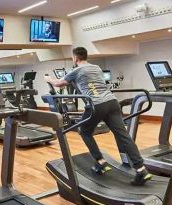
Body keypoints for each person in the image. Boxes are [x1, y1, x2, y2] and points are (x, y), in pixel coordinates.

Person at [44, 47, 152, 185]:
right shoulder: (97, 68)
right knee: (123, 135)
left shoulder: (77, 70)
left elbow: (59, 83)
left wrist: (48, 79)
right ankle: (141, 169)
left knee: (84, 131)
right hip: (112, 102)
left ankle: (100, 161)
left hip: (96, 104)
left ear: (75, 58)